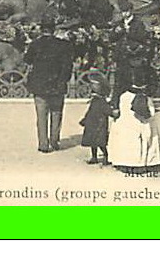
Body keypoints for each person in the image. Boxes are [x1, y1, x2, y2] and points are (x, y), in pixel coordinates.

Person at [24, 20, 75, 153]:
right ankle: (54, 140)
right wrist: (63, 80)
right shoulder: (63, 45)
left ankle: (43, 144)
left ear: (41, 30)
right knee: (56, 113)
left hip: (39, 85)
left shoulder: (35, 44)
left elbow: (27, 60)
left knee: (41, 116)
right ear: (54, 30)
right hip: (57, 84)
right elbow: (68, 65)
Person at [108, 78, 160, 170]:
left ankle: (125, 162)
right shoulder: (146, 98)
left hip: (126, 120)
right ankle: (144, 162)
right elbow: (151, 113)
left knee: (126, 137)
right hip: (142, 121)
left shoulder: (124, 96)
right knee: (146, 134)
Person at [79, 75, 116, 165]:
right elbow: (90, 111)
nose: (92, 87)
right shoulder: (95, 100)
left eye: (94, 85)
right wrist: (85, 119)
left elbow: (107, 110)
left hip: (100, 124)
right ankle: (94, 157)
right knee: (93, 142)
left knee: (100, 143)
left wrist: (112, 113)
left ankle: (106, 156)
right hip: (92, 123)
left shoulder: (101, 101)